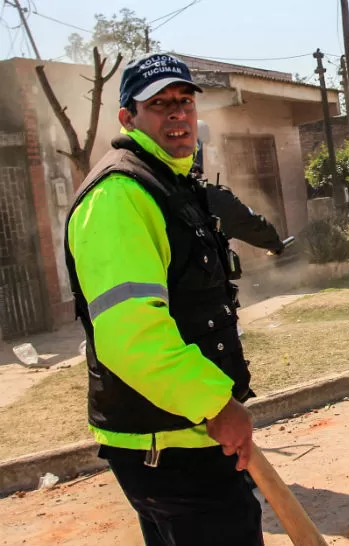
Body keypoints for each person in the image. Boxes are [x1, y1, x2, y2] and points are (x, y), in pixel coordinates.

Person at [64, 53, 262, 545]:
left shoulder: (169, 183)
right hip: (167, 442)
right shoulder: (120, 196)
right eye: (160, 105)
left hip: (185, 435)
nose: (177, 113)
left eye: (185, 102)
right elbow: (130, 334)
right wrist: (215, 404)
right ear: (128, 118)